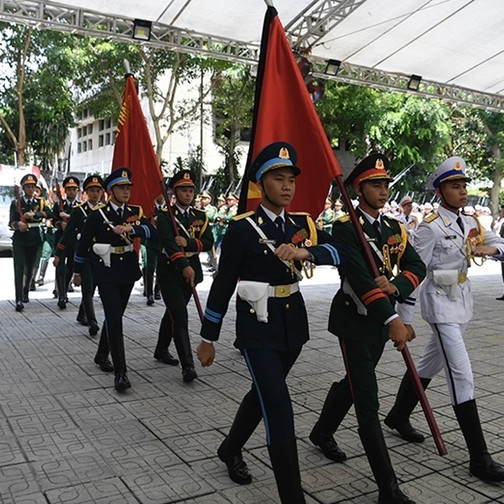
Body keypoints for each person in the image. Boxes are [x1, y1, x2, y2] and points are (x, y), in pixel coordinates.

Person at [196, 142, 343, 503]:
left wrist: (308, 251)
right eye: (279, 179)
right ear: (262, 184)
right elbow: (223, 284)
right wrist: (208, 336)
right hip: (256, 329)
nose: (288, 186)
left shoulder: (301, 224)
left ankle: (230, 448)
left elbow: (342, 250)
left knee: (262, 395)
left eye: (291, 179)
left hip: (293, 327)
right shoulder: (243, 229)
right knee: (279, 406)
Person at [384, 156, 504, 483]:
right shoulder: (430, 227)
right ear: (440, 191)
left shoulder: (471, 223)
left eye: (464, 185)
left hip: (462, 302)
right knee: (461, 375)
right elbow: (414, 272)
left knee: (429, 365)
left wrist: (491, 251)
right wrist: (405, 318)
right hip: (440, 305)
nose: (463, 191)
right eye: (455, 186)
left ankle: (398, 415)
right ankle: (479, 457)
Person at [309, 153, 425, 504]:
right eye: (375, 184)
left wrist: (397, 288)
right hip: (356, 321)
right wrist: (393, 319)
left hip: (381, 318)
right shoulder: (346, 228)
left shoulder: (394, 228)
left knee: (355, 384)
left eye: (386, 184)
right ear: (358, 189)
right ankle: (387, 487)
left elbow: (416, 265)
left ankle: (322, 430)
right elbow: (359, 279)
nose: (383, 190)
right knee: (368, 399)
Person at [73, 167, 155, 391]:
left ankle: (101, 354)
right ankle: (121, 373)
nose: (126, 191)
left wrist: (133, 228)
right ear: (111, 190)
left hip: (127, 269)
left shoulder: (135, 212)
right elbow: (82, 245)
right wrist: (77, 271)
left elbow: (152, 231)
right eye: (121, 187)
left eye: (128, 187)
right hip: (106, 270)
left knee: (116, 314)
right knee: (114, 318)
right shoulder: (97, 215)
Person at [154, 170, 213, 381]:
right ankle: (188, 366)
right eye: (183, 190)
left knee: (172, 311)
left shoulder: (200, 216)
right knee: (180, 315)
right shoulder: (164, 216)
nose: (188, 194)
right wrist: (183, 265)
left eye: (190, 191)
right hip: (171, 271)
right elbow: (169, 245)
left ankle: (161, 349)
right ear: (174, 192)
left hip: (192, 273)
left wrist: (188, 243)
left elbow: (208, 241)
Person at [54, 175, 105, 339]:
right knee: (88, 286)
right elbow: (67, 234)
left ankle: (82, 313)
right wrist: (58, 254)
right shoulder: (79, 211)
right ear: (86, 193)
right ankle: (93, 321)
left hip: (102, 255)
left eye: (98, 191)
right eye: (92, 191)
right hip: (85, 255)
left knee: (95, 285)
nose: (95, 194)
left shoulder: (106, 210)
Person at [9, 174, 53, 312]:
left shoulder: (40, 202)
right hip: (20, 239)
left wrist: (36, 215)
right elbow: (11, 222)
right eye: (27, 186)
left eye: (32, 186)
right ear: (23, 188)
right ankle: (18, 299)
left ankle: (26, 289)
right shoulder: (16, 203)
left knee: (30, 267)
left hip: (34, 238)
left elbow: (50, 213)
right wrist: (18, 225)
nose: (30, 189)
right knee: (19, 268)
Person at [51, 176, 80, 309]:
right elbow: (53, 220)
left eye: (74, 189)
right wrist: (59, 223)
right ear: (65, 191)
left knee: (71, 266)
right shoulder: (58, 205)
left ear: (77, 191)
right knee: (60, 266)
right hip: (61, 239)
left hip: (74, 239)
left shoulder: (80, 206)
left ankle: (66, 288)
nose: (72, 192)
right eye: (69, 189)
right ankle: (62, 295)